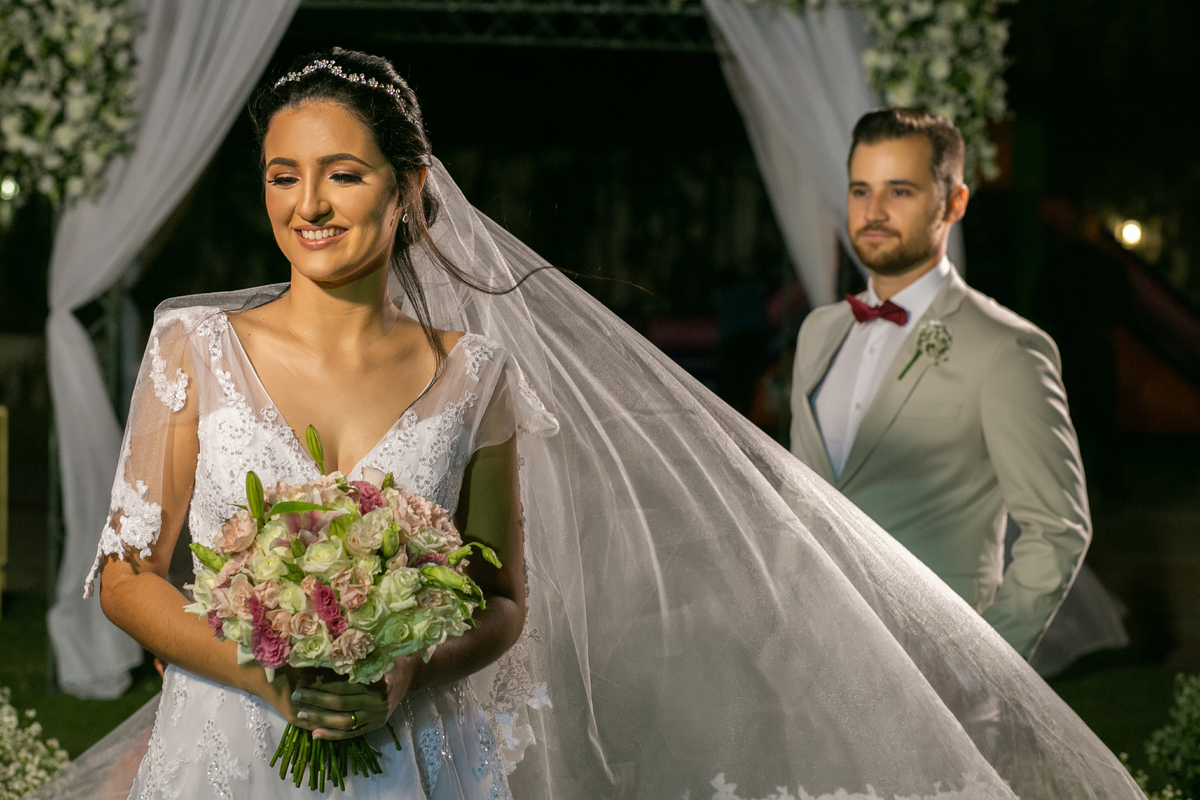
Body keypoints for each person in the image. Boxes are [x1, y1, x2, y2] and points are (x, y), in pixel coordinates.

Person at [64, 51, 1142, 799]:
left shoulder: (471, 371)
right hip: (225, 743)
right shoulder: (189, 348)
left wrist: (402, 673)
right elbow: (123, 573)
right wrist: (265, 673)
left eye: (343, 173)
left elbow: (501, 601)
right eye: (283, 176)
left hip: (418, 748)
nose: (309, 202)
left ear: (409, 189)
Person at [789, 108, 1089, 660]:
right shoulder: (819, 332)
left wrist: (981, 666)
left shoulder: (1007, 350)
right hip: (809, 656)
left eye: (898, 191)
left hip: (935, 672)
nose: (872, 211)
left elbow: (1059, 529)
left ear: (953, 204)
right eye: (860, 190)